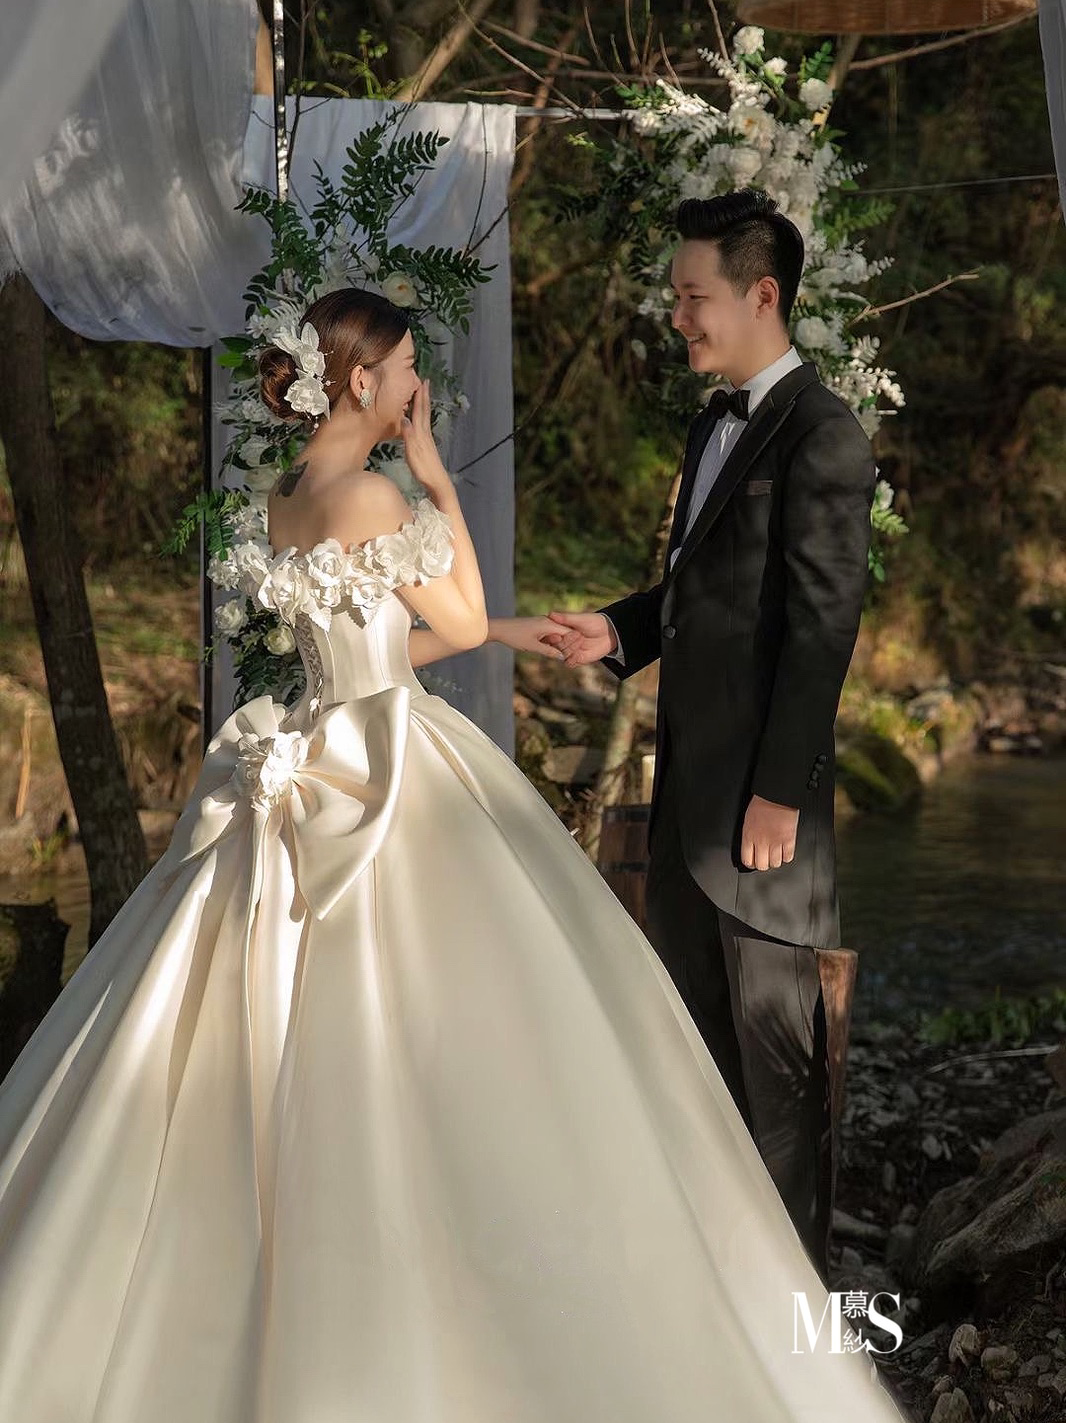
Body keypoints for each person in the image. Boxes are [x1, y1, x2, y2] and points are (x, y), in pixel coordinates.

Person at [0, 286, 907, 1421]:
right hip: (389, 768)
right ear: (362, 379)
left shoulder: (285, 494)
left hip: (311, 742)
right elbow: (463, 622)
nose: (417, 385)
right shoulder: (380, 492)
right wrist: (438, 479)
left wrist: (520, 629)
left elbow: (369, 638)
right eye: (405, 369)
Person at [548, 190, 877, 1284]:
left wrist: (780, 791)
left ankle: (800, 1339)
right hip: (689, 817)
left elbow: (822, 624)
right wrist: (617, 630)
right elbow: (702, 594)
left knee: (780, 1102)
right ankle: (713, 1318)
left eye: (693, 297)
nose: (677, 315)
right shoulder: (712, 423)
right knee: (692, 1081)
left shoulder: (824, 435)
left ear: (760, 295)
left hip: (763, 829)